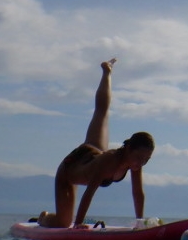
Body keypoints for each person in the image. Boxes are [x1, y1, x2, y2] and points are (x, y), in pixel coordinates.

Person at [38, 59, 155, 228]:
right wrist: (78, 224)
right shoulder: (109, 161)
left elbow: (138, 193)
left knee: (102, 112)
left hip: (93, 151)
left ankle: (107, 71)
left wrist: (140, 223)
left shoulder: (135, 163)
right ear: (128, 148)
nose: (141, 162)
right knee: (63, 223)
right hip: (69, 171)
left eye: (146, 159)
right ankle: (44, 217)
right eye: (139, 157)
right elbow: (89, 193)